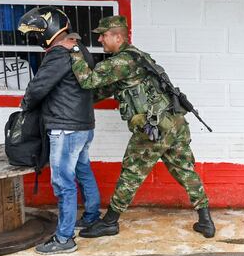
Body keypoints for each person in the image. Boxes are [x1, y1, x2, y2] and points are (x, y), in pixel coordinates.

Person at [59, 15, 215, 239]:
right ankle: (206, 221)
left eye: (104, 35)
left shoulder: (122, 61)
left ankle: (110, 222)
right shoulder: (137, 57)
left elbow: (88, 81)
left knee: (131, 172)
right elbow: (104, 90)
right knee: (185, 170)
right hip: (175, 123)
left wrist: (73, 51)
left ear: (118, 36)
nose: (100, 39)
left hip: (155, 128)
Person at [18, 7, 102, 255]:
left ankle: (65, 238)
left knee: (63, 182)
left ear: (48, 30)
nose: (35, 40)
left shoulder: (58, 54)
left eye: (36, 35)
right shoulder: (78, 47)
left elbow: (37, 88)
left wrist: (25, 106)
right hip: (83, 125)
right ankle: (91, 216)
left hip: (65, 128)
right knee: (82, 169)